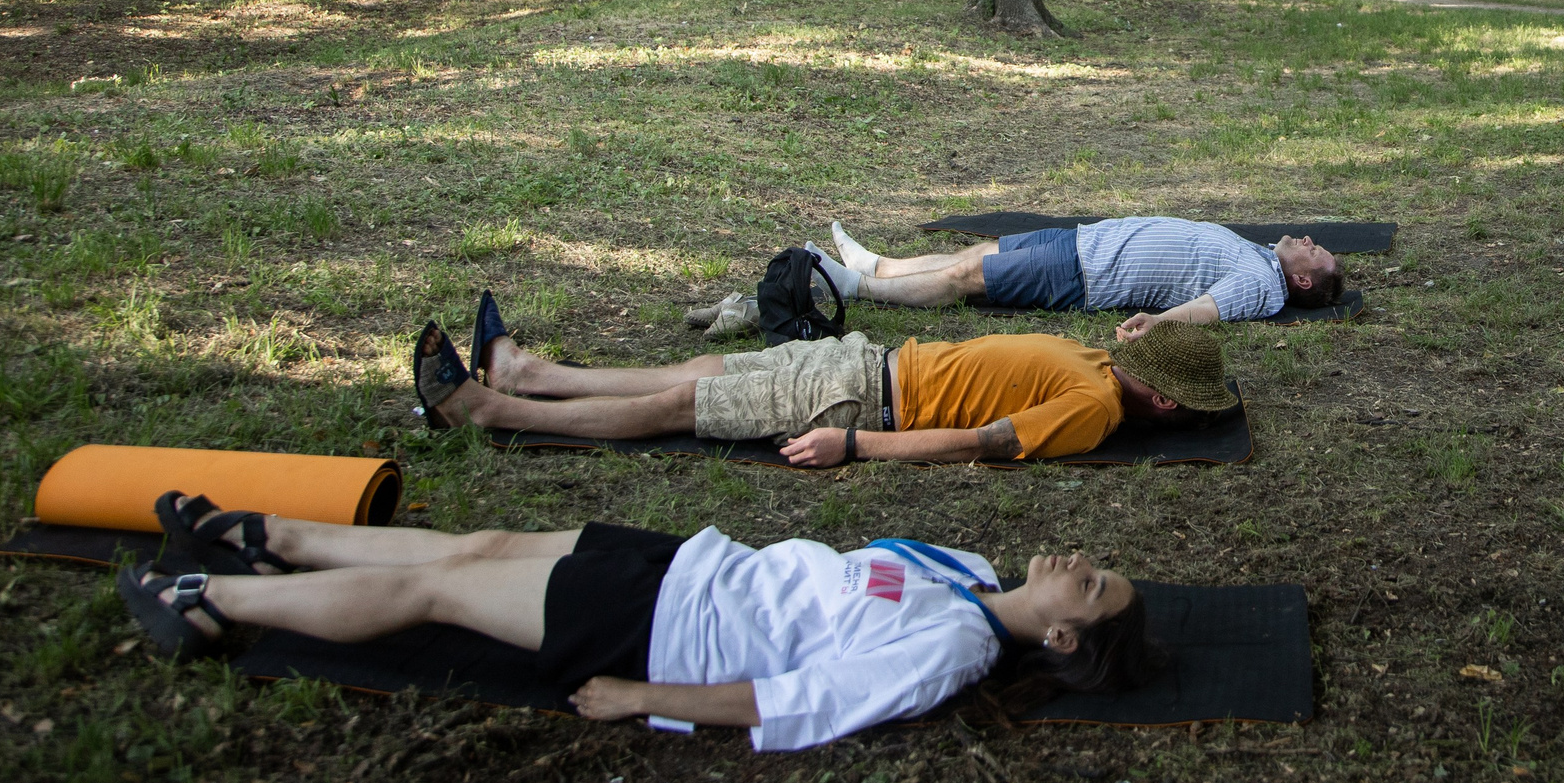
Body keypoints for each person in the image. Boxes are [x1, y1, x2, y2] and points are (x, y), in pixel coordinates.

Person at [116, 500, 1156, 752]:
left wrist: (646, 698)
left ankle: (208, 603)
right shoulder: (965, 570)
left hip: (666, 630)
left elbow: (806, 701)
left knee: (439, 592)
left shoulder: (955, 649)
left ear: (1063, 638)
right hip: (689, 564)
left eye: (1092, 584)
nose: (1079, 562)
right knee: (482, 544)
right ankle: (271, 539)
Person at [409, 308, 1232, 465]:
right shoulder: (1099, 364)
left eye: (1151, 358)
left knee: (679, 408)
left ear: (1159, 399)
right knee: (698, 371)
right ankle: (531, 373)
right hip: (868, 359)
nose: (1135, 344)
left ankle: (488, 409)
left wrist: (855, 444)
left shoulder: (1094, 407)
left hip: (863, 402)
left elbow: (984, 442)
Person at [814, 216, 1343, 337]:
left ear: (1301, 282)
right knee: (982, 250)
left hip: (1088, 272)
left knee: (968, 276)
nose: (1308, 240)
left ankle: (857, 288)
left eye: (1314, 251)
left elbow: (1211, 309)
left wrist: (1158, 323)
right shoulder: (1261, 256)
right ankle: (877, 266)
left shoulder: (1262, 284)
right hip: (1086, 241)